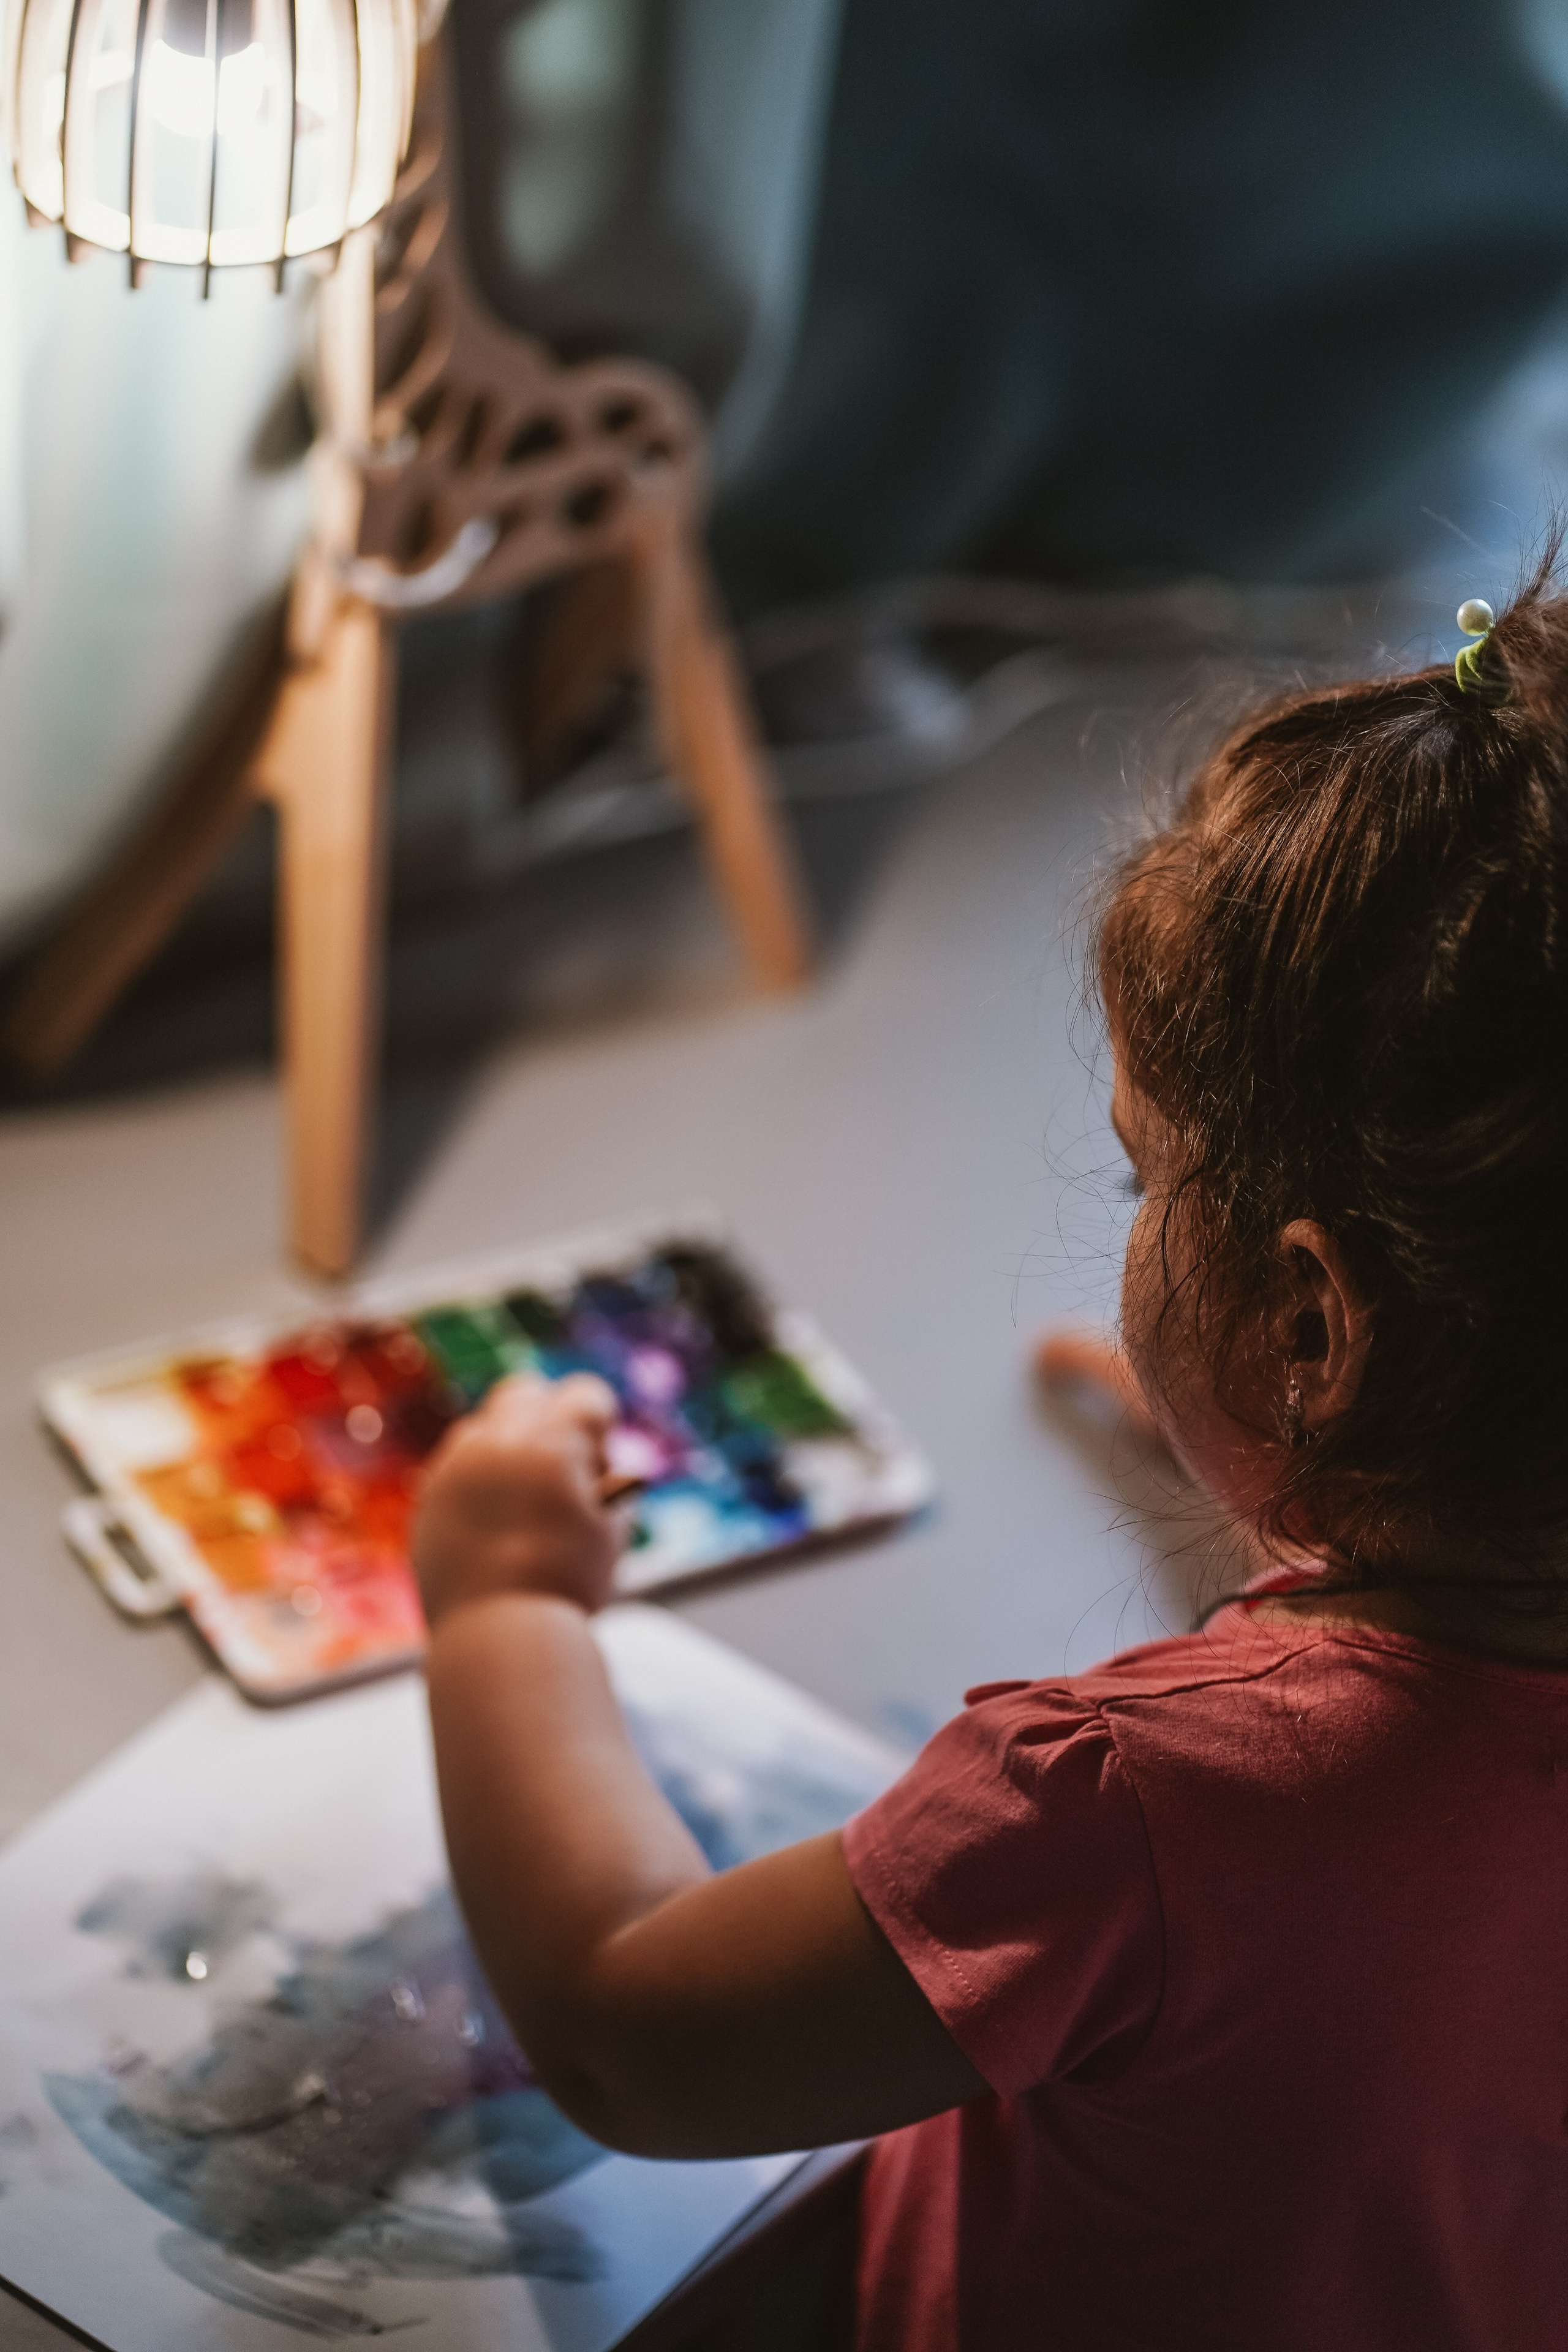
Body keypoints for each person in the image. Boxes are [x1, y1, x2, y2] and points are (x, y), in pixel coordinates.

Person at [411, 562, 1568, 2350]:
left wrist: (499, 1607)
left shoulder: (1127, 1810)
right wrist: (1301, 1455)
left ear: (1316, 1333)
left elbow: (635, 2032)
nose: (1131, 1205)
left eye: (1147, 1170)